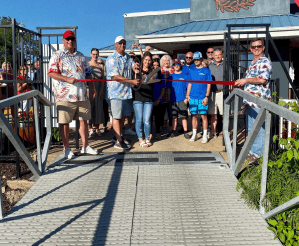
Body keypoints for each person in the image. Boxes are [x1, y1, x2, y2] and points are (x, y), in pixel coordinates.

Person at [47, 30, 98, 159]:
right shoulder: (56, 55)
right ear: (63, 41)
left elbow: (87, 73)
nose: (70, 41)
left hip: (81, 94)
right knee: (64, 123)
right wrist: (67, 79)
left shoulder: (80, 55)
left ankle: (85, 146)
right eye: (67, 39)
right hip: (64, 96)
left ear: (75, 41)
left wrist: (92, 88)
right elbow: (51, 73)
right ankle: (66, 148)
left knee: (84, 121)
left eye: (72, 39)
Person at [235, 38, 272, 159]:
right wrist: (239, 84)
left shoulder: (265, 61)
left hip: (259, 102)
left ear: (263, 48)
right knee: (251, 128)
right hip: (250, 101)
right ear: (251, 49)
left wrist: (245, 80)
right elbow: (249, 83)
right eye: (254, 47)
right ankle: (252, 153)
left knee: (259, 129)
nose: (256, 48)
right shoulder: (252, 63)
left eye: (259, 46)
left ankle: (258, 156)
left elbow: (262, 80)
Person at [106, 36, 140, 149]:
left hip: (126, 93)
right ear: (115, 44)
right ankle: (119, 141)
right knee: (116, 117)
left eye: (124, 43)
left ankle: (117, 136)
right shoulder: (111, 58)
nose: (123, 45)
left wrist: (135, 67)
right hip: (115, 93)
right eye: (120, 43)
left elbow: (132, 65)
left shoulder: (127, 57)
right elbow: (115, 76)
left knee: (122, 117)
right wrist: (131, 81)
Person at [186, 52, 212, 143]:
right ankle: (194, 134)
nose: (196, 61)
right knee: (194, 116)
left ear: (201, 59)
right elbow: (189, 83)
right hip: (192, 97)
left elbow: (209, 84)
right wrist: (187, 95)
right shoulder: (192, 70)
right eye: (195, 59)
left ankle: (205, 135)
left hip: (202, 97)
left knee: (204, 116)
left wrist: (207, 96)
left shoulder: (206, 70)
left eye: (198, 59)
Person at [132, 51, 155, 147]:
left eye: (149, 60)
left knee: (147, 120)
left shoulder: (153, 71)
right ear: (143, 60)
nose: (147, 62)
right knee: (139, 119)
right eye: (146, 59)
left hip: (149, 98)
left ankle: (147, 138)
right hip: (138, 97)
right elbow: (133, 85)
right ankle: (140, 138)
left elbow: (154, 82)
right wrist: (136, 73)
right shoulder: (137, 69)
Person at [168, 58, 190, 139]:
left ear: (180, 65)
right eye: (175, 65)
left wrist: (187, 97)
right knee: (174, 117)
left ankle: (185, 132)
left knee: (184, 117)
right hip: (173, 99)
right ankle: (173, 131)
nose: (176, 66)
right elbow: (169, 89)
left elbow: (188, 87)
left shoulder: (184, 75)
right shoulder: (171, 76)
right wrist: (169, 99)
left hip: (182, 99)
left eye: (178, 64)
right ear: (173, 66)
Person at [88, 48, 105, 137]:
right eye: (94, 54)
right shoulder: (87, 65)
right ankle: (90, 128)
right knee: (90, 107)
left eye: (96, 54)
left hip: (98, 87)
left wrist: (102, 90)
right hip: (90, 87)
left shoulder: (100, 66)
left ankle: (97, 128)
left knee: (99, 108)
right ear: (91, 54)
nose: (95, 56)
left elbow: (102, 79)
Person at [208, 49, 224, 138]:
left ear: (222, 55)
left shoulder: (226, 66)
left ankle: (225, 131)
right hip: (212, 93)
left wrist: (229, 92)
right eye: (216, 55)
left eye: (219, 55)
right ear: (213, 56)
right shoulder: (209, 66)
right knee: (213, 114)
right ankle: (213, 132)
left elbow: (230, 80)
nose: (218, 56)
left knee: (224, 114)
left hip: (222, 93)